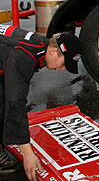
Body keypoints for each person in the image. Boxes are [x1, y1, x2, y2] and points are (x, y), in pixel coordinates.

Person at [0, 25, 81, 180]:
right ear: (52, 52)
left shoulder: (38, 45)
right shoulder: (23, 56)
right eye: (64, 64)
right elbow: (15, 103)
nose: (63, 69)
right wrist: (28, 155)